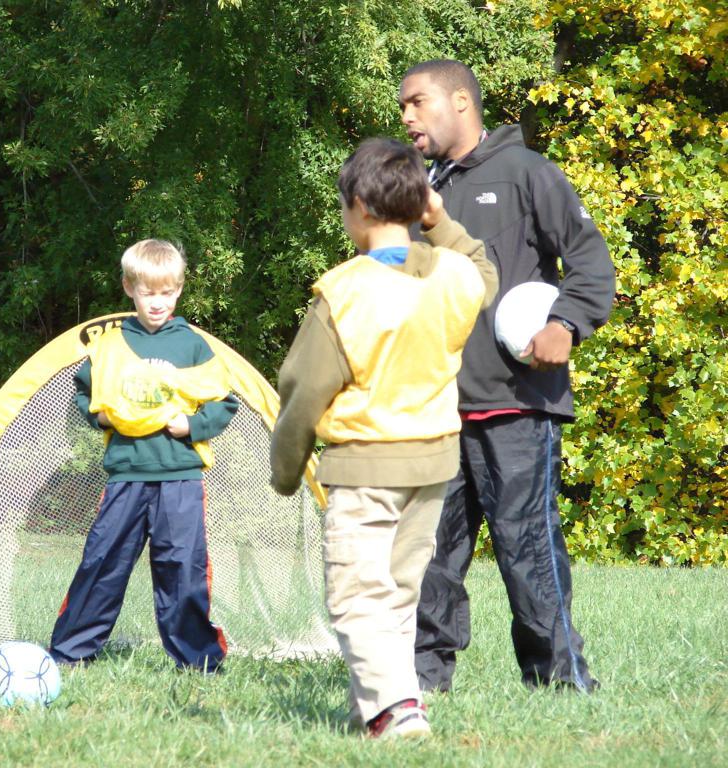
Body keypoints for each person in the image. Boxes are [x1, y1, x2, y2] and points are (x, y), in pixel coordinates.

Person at [398, 59, 615, 693]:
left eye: (417, 102)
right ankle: (421, 682)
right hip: (436, 407)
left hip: (517, 404)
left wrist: (566, 324)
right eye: (402, 105)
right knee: (429, 555)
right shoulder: (416, 191)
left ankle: (559, 682)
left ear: (460, 101)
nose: (406, 116)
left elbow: (591, 263)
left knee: (527, 549)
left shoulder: (527, 172)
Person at [270, 138, 498, 739]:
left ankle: (396, 709)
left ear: (361, 208)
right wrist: (440, 222)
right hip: (434, 465)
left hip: (365, 466)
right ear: (419, 202)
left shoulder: (345, 292)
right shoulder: (451, 275)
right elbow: (485, 273)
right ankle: (376, 707)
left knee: (356, 595)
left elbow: (303, 392)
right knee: (396, 593)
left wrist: (286, 470)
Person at [50, 239, 239, 673]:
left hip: (180, 476)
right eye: (148, 292)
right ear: (129, 288)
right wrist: (101, 418)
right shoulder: (110, 345)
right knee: (103, 561)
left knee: (183, 569)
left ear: (179, 290)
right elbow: (85, 392)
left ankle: (197, 660)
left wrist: (192, 426)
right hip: (127, 474)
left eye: (167, 292)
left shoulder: (193, 346)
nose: (157, 302)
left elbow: (224, 401)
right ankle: (70, 652)